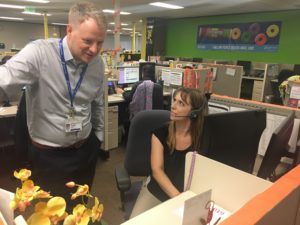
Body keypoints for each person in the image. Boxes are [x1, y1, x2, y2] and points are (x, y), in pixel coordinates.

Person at [0, 1, 107, 210]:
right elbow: (5, 78)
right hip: (50, 158)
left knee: (80, 210)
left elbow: (97, 102)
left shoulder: (97, 63)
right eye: (88, 40)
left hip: (85, 152)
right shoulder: (39, 54)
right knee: (51, 215)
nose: (94, 49)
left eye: (100, 42)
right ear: (69, 30)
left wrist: (98, 139)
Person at [130, 87, 208, 218]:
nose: (173, 106)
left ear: (194, 112)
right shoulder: (160, 133)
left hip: (188, 193)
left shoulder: (203, 137)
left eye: (181, 103)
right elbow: (157, 170)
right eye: (174, 100)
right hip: (157, 191)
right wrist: (178, 198)